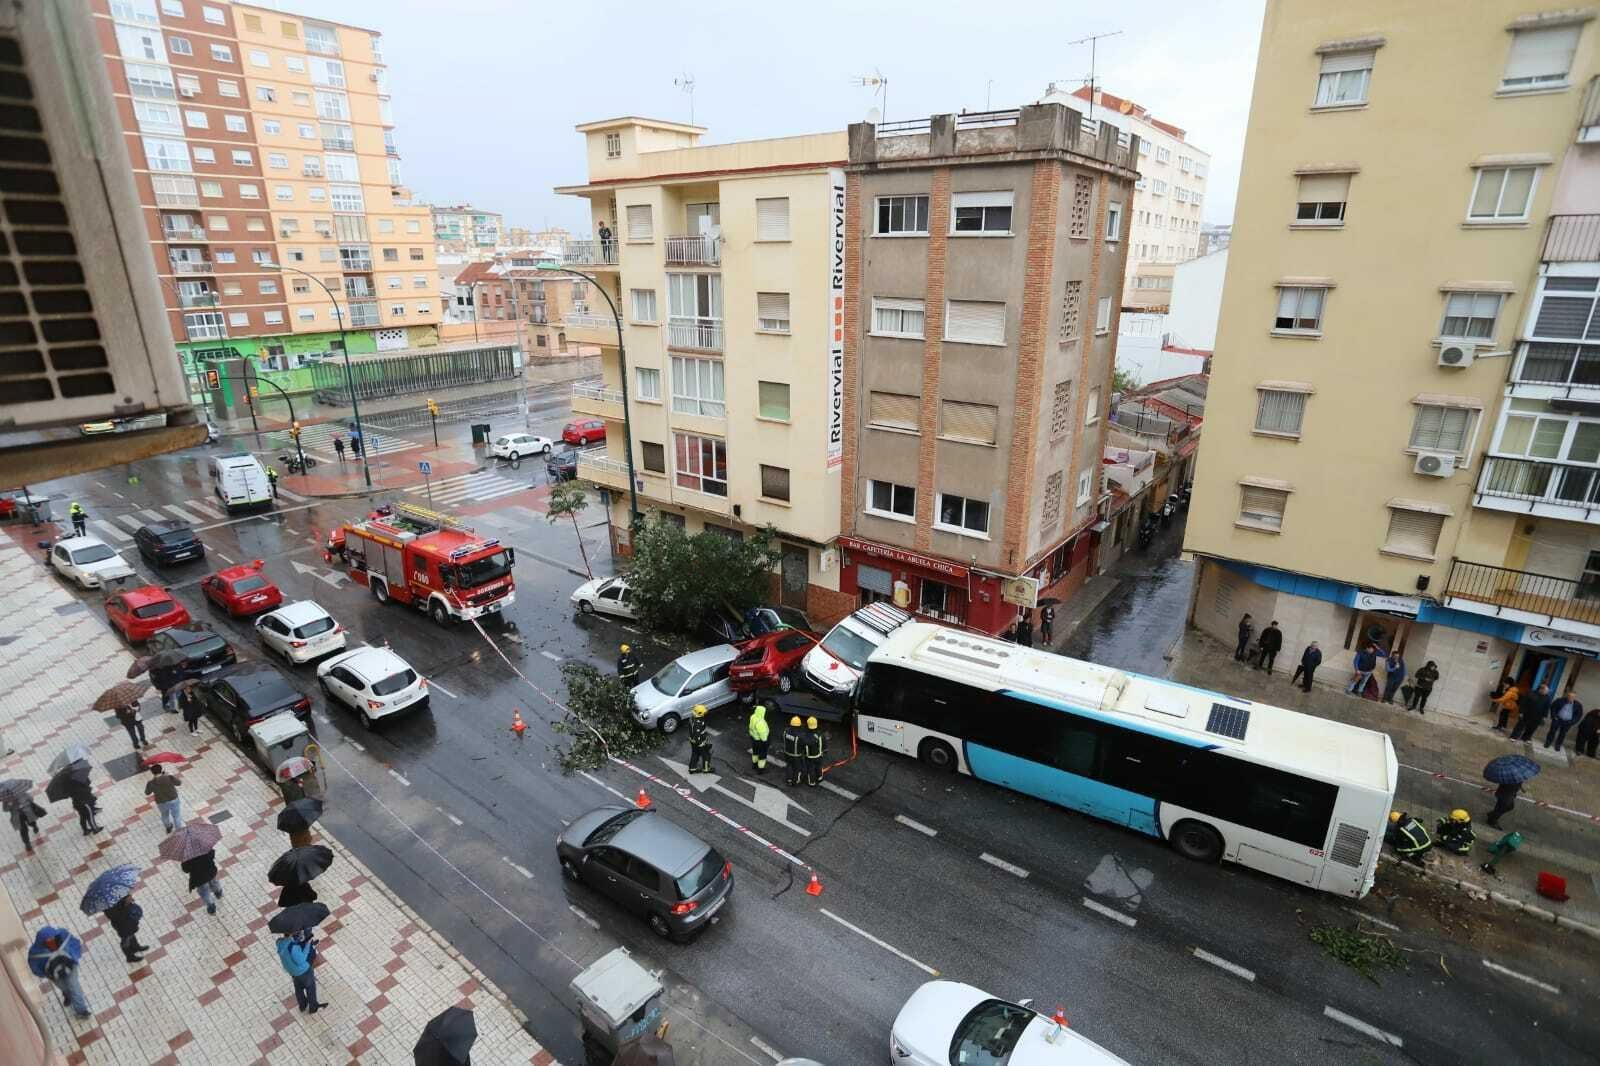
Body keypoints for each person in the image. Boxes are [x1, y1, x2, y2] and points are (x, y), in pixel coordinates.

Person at [31, 931, 90, 1019]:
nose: (50, 940)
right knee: (66, 987)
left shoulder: (63, 939)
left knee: (74, 988)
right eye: (48, 940)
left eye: (51, 938)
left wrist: (74, 958)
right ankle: (68, 996)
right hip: (56, 975)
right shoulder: (37, 952)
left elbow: (75, 945)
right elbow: (35, 966)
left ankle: (81, 1011)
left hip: (69, 970)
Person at [276, 929, 326, 1013]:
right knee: (310, 987)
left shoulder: (280, 942)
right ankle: (313, 1007)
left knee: (298, 988)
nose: (299, 934)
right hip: (303, 971)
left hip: (292, 971)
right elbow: (301, 960)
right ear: (292, 934)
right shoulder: (293, 947)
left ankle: (302, 1005)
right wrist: (307, 945)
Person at [180, 846, 223, 915]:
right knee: (214, 882)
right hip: (210, 871)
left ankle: (211, 907)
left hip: (199, 877)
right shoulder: (203, 845)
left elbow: (186, 869)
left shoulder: (186, 855)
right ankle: (219, 893)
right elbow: (212, 854)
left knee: (204, 892)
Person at [103, 895, 146, 963]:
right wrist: (125, 905)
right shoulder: (106, 905)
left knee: (131, 933)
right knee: (126, 939)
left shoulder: (116, 894)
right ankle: (130, 957)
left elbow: (124, 899)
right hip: (120, 924)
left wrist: (129, 899)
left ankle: (135, 947)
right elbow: (115, 916)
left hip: (128, 920)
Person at [144, 765, 183, 832]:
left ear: (152, 773)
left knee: (164, 815)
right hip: (173, 799)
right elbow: (179, 783)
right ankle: (179, 831)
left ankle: (168, 827)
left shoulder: (151, 783)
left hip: (161, 802)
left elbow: (147, 793)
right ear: (161, 770)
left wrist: (150, 784)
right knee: (176, 816)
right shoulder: (168, 777)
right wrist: (171, 775)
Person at [1545, 688, 1583, 752]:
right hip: (1558, 719)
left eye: (1572, 697)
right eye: (1569, 696)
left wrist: (1572, 722)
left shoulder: (1578, 705)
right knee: (1552, 731)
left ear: (1575, 697)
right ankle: (1548, 743)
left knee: (1562, 734)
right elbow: (1553, 707)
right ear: (1567, 696)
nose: (1570, 698)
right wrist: (1554, 717)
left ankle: (1558, 745)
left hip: (1567, 722)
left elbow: (1578, 715)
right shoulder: (1560, 700)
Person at [686, 704, 713, 774]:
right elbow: (698, 735)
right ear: (700, 714)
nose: (705, 713)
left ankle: (692, 768)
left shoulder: (692, 718)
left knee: (695, 754)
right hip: (699, 742)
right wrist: (702, 743)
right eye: (704, 712)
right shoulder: (699, 723)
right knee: (706, 755)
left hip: (692, 741)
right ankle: (706, 769)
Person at [747, 702, 770, 774]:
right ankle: (760, 769)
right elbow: (762, 734)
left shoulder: (753, 717)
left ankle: (754, 765)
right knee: (762, 755)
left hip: (754, 738)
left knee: (755, 752)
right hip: (760, 741)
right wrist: (765, 742)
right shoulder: (760, 722)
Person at [803, 716, 826, 786]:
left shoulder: (805, 736)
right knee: (819, 767)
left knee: (810, 769)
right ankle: (820, 777)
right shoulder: (820, 734)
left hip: (809, 757)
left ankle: (811, 782)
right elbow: (824, 744)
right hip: (819, 756)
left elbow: (802, 746)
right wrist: (824, 751)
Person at [782, 715, 804, 787]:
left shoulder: (786, 731)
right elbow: (803, 745)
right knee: (797, 769)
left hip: (787, 753)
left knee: (789, 766)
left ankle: (788, 779)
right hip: (796, 756)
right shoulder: (799, 735)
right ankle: (795, 782)